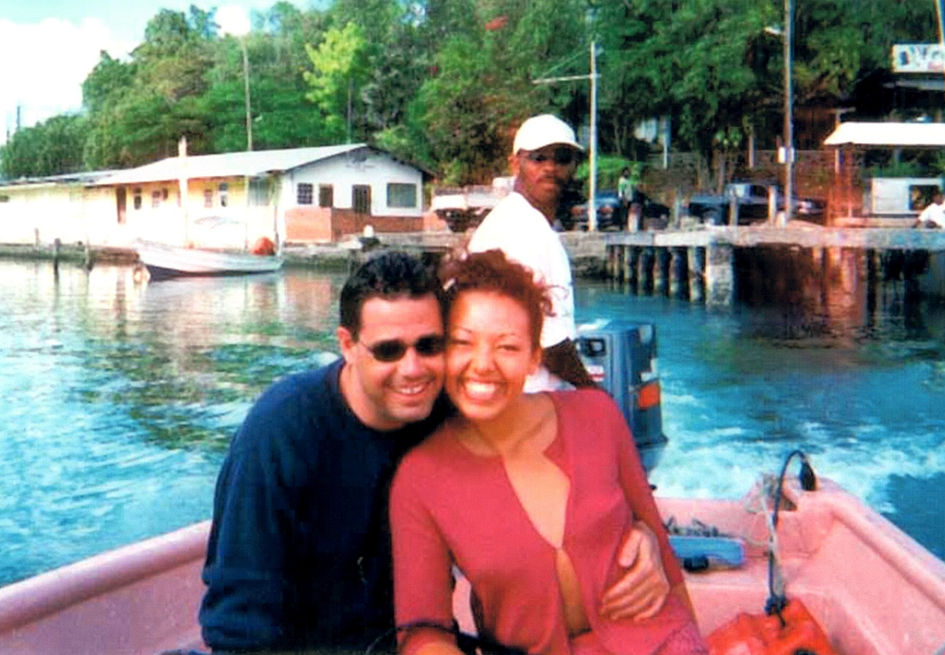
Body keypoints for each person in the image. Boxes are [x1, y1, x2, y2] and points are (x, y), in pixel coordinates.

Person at [199, 251, 670, 653]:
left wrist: (642, 534)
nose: (413, 369)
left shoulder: (447, 409)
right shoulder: (282, 432)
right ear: (348, 345)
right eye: (388, 350)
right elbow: (237, 624)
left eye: (429, 346)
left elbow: (553, 462)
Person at [390, 250, 707, 655]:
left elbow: (663, 554)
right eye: (462, 342)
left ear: (533, 358)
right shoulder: (420, 478)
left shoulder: (597, 415)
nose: (483, 364)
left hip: (659, 640)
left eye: (507, 347)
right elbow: (421, 631)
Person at [468, 113, 593, 391]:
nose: (550, 168)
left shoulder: (523, 220)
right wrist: (594, 394)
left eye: (562, 159)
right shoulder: (521, 228)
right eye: (538, 158)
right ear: (515, 164)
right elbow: (549, 342)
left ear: (574, 166)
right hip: (521, 398)